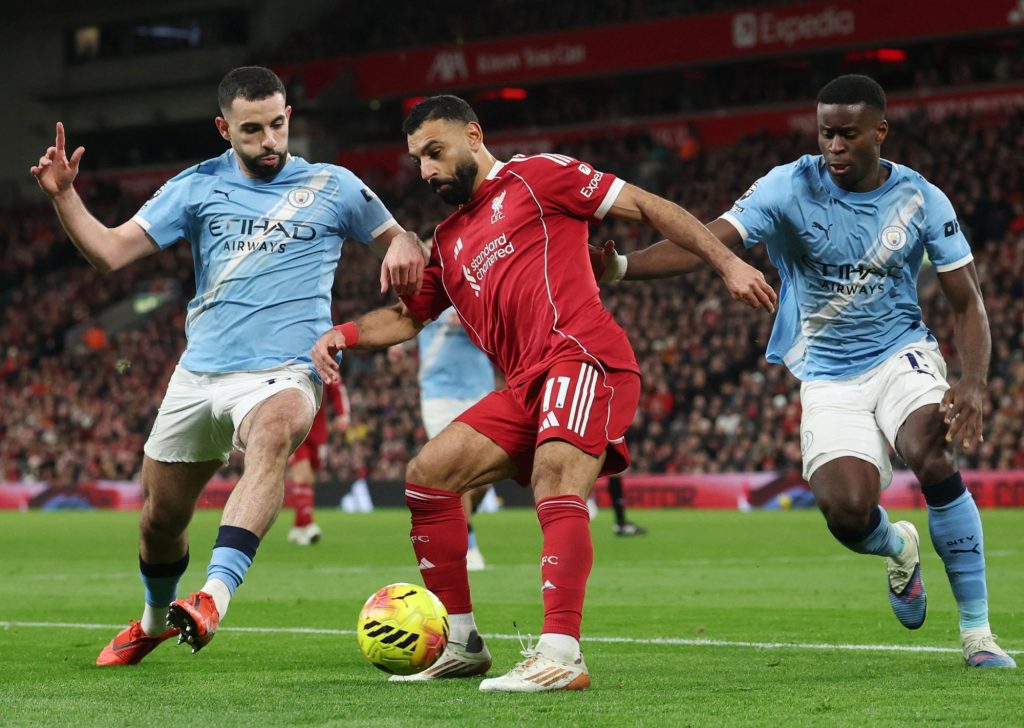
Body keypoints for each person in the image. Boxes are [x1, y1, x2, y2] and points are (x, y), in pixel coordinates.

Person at [312, 94, 776, 692]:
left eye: (435, 152)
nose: (425, 170)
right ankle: (461, 642)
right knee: (429, 476)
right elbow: (407, 318)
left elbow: (647, 204)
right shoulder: (448, 240)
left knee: (554, 479)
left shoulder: (539, 178)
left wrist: (727, 264)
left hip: (584, 356)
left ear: (473, 136)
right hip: (525, 384)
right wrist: (344, 334)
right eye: (417, 160)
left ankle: (561, 653)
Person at [598, 74, 1015, 668]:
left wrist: (972, 381)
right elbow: (707, 241)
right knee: (846, 513)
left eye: (849, 134)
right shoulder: (787, 187)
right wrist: (619, 267)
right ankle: (898, 546)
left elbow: (967, 302)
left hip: (901, 354)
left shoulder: (922, 199)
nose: (835, 146)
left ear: (880, 131)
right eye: (826, 134)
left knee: (931, 449)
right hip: (827, 372)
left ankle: (978, 634)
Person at [30, 65, 426, 666]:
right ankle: (152, 621)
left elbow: (399, 239)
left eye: (276, 125)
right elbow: (109, 253)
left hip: (285, 370)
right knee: (160, 521)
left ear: (287, 116)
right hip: (200, 374)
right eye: (251, 130)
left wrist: (404, 240)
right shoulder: (195, 186)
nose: (269, 141)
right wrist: (64, 196)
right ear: (224, 128)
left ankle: (213, 596)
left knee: (273, 436)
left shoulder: (334, 185)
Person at [412, 308, 502, 570]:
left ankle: (456, 524)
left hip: (479, 388)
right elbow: (407, 318)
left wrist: (473, 318)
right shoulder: (426, 288)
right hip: (438, 392)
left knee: (484, 481)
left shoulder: (479, 287)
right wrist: (400, 347)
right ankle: (467, 544)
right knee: (454, 469)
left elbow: (502, 324)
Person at [286, 376, 350, 546]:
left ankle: (297, 527)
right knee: (302, 476)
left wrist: (343, 414)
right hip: (296, 427)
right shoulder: (291, 363)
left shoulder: (324, 363)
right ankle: (309, 523)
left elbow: (337, 388)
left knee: (309, 479)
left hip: (318, 431)